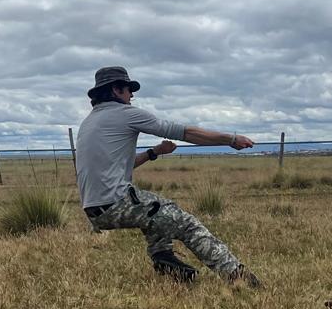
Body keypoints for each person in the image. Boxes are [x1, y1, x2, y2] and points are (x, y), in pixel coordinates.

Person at [75, 65, 260, 286]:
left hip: (94, 210)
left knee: (157, 213)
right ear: (116, 90)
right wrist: (231, 139)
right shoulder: (126, 114)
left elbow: (121, 167)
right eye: (129, 89)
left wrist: (153, 153)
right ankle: (238, 277)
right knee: (185, 223)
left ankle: (166, 260)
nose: (132, 95)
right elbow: (184, 132)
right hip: (115, 202)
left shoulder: (89, 122)